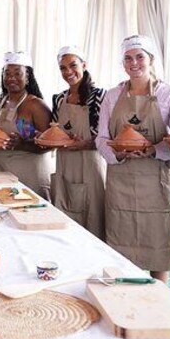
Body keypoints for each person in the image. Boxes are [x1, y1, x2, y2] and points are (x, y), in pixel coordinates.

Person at [95, 35, 170, 283]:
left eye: (139, 57)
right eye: (128, 58)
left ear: (151, 60)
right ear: (123, 63)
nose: (134, 63)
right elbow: (101, 138)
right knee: (121, 245)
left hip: (155, 181)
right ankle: (123, 300)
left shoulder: (168, 95)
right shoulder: (112, 96)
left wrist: (154, 149)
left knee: (157, 243)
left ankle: (158, 299)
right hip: (121, 179)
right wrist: (117, 154)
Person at [46, 46, 107, 240]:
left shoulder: (99, 96)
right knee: (66, 215)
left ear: (84, 65)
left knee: (93, 217)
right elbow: (54, 131)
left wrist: (85, 144)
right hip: (65, 164)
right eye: (63, 68)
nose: (68, 72)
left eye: (73, 65)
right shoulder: (59, 99)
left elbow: (106, 136)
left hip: (90, 165)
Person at [0, 51, 52, 195]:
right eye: (7, 73)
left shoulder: (36, 105)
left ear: (27, 77)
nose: (11, 78)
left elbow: (49, 145)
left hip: (28, 176)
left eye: (17, 73)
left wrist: (22, 145)